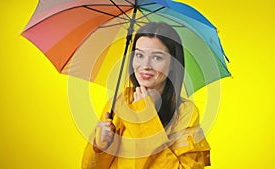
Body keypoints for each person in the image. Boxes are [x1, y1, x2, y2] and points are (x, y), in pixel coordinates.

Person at [82, 22, 210, 169]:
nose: (145, 65)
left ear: (173, 64)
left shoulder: (186, 113)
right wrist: (101, 145)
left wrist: (146, 119)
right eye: (139, 55)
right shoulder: (120, 102)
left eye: (157, 58)